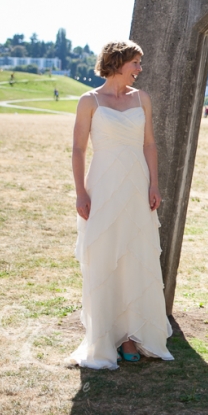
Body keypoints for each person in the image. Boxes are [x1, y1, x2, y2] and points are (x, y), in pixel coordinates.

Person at [67, 40, 173, 369]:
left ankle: (131, 336)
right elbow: (78, 149)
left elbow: (150, 144)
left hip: (136, 186)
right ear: (118, 62)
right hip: (102, 186)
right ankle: (104, 336)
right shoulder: (89, 101)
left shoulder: (142, 99)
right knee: (104, 255)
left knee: (134, 255)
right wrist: (81, 192)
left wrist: (154, 184)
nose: (140, 69)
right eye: (136, 63)